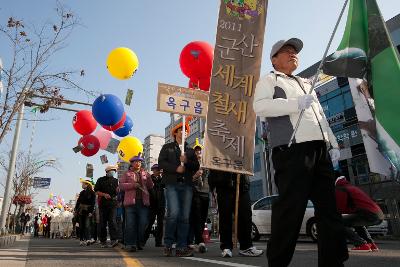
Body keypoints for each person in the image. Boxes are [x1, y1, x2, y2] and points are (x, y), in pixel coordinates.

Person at [253, 38, 349, 267]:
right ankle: (277, 263)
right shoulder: (269, 79)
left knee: (329, 209)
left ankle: (333, 262)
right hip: (292, 149)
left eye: (294, 51)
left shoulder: (307, 83)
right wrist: (295, 103)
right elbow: (260, 107)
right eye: (286, 51)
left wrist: (333, 144)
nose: (292, 54)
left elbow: (320, 118)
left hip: (319, 149)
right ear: (274, 59)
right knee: (290, 209)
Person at [158, 120, 200, 257]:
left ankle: (181, 246)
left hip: (187, 185)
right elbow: (161, 162)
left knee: (184, 217)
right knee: (173, 214)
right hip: (172, 184)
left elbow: (196, 166)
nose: (185, 132)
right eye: (182, 129)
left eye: (187, 130)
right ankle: (168, 245)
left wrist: (187, 161)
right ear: (175, 133)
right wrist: (176, 168)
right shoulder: (167, 147)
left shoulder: (190, 150)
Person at [209, 170, 263, 258]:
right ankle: (226, 247)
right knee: (225, 216)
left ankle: (246, 246)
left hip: (241, 184)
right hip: (222, 184)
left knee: (245, 215)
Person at [335, 175, 384, 252]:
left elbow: (340, 208)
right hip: (379, 214)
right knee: (356, 222)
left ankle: (361, 244)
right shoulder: (351, 187)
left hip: (369, 214)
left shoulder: (340, 188)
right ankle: (370, 244)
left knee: (337, 222)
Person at [119, 153, 154, 252]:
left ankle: (139, 242)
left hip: (143, 203)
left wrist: (149, 178)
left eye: (139, 161)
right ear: (131, 163)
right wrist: (132, 185)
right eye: (136, 162)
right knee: (130, 224)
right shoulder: (126, 174)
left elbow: (151, 186)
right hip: (130, 203)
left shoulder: (145, 173)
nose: (138, 163)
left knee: (143, 223)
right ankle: (131, 244)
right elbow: (121, 186)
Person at [188, 140, 210, 253]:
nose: (198, 153)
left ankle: (196, 241)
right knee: (196, 217)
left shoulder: (207, 164)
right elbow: (188, 180)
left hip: (206, 193)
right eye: (196, 151)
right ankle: (200, 241)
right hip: (195, 192)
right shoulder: (191, 165)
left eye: (200, 151)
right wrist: (195, 175)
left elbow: (211, 179)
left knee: (202, 218)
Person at [94, 165, 119, 248]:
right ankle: (103, 241)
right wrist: (104, 194)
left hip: (113, 204)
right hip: (103, 204)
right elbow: (96, 191)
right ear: (107, 171)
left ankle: (114, 240)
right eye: (111, 170)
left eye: (114, 171)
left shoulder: (116, 181)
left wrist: (117, 194)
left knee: (112, 221)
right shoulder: (100, 180)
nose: (113, 172)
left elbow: (118, 192)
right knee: (102, 223)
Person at [144, 163, 166, 247]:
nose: (157, 171)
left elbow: (166, 185)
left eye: (158, 170)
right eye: (155, 170)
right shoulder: (149, 179)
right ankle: (143, 240)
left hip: (161, 203)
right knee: (149, 222)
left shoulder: (163, 179)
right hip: (152, 204)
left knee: (160, 223)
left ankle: (159, 242)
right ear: (153, 170)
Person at [75, 179, 96, 246]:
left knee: (87, 225)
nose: (82, 185)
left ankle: (88, 239)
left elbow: (93, 203)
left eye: (83, 184)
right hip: (81, 211)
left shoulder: (92, 193)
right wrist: (76, 209)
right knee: (81, 226)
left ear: (87, 184)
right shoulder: (81, 193)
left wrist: (91, 211)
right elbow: (78, 202)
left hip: (88, 211)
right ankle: (81, 239)